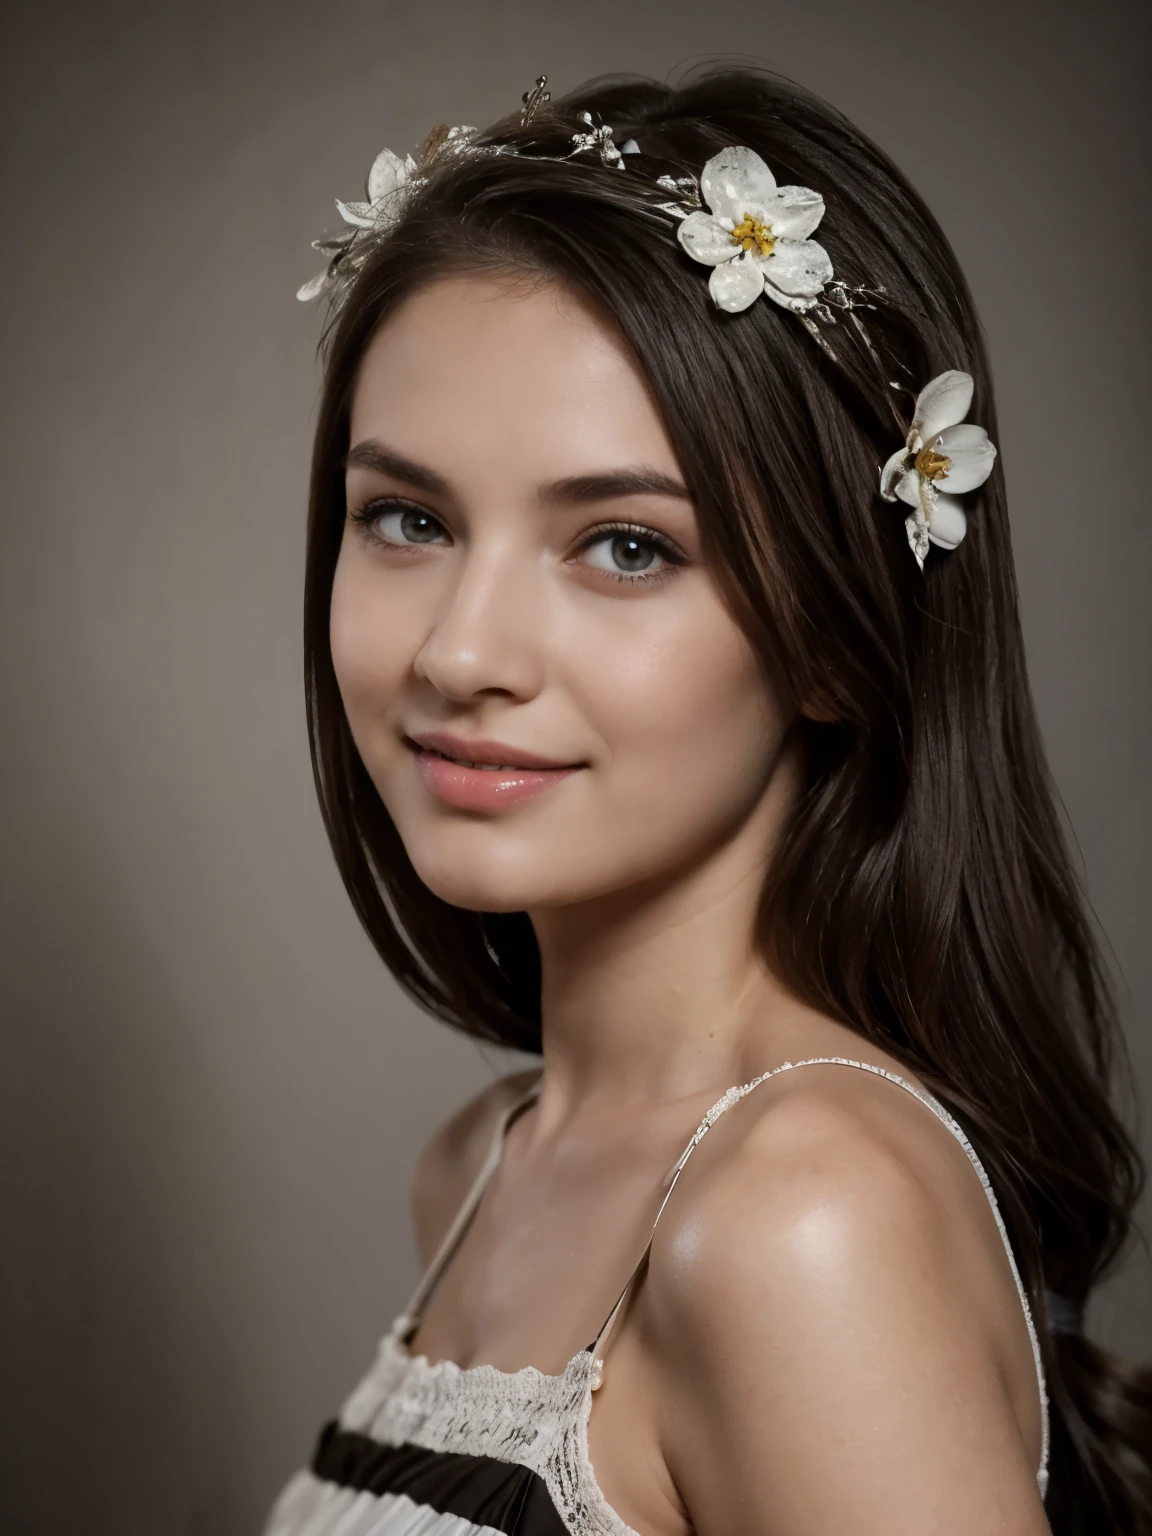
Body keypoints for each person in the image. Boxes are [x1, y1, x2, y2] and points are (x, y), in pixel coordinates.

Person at [265, 67, 1151, 1536]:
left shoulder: (805, 1218)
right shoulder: (483, 1168)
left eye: (622, 546)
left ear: (832, 629)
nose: (459, 653)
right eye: (407, 520)